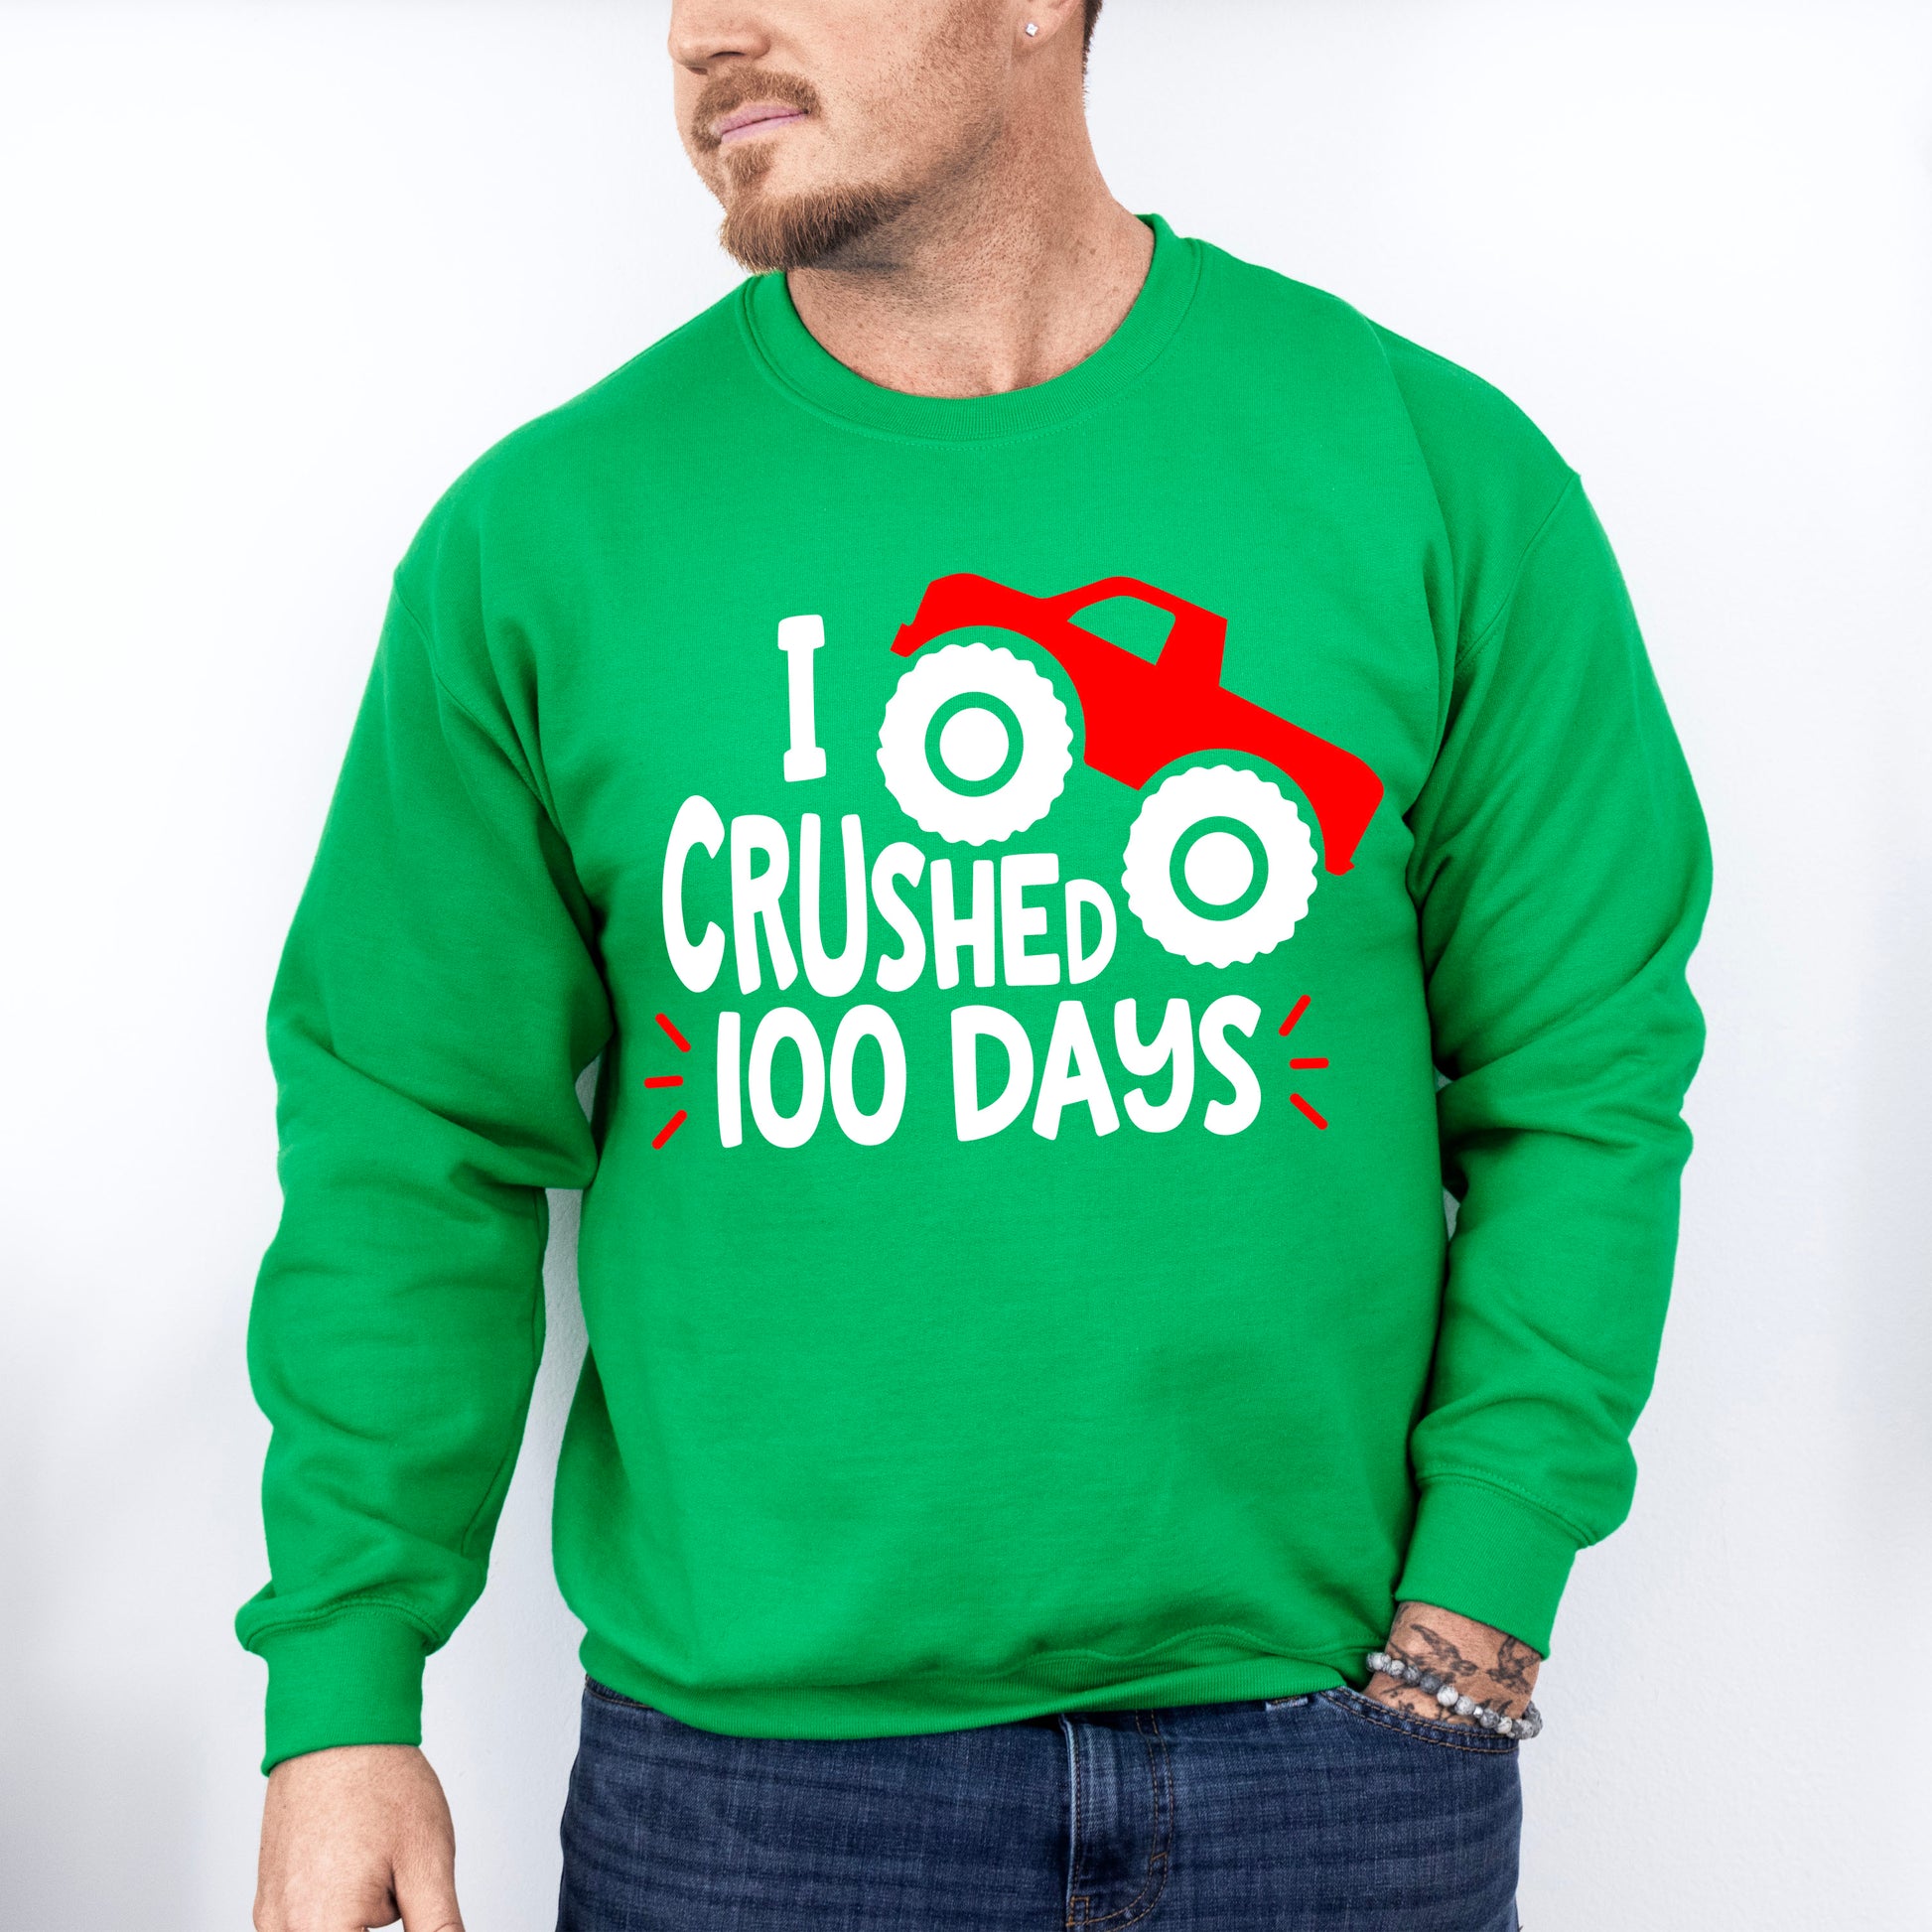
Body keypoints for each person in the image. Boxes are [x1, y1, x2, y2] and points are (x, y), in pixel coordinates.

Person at [243, 2, 1710, 1927]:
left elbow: (1582, 1078)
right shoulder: (546, 542)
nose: (707, 30)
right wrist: (343, 1692)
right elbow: (407, 1136)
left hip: (1332, 1775)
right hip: (759, 1805)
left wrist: (1478, 1609)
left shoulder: (1431, 474)